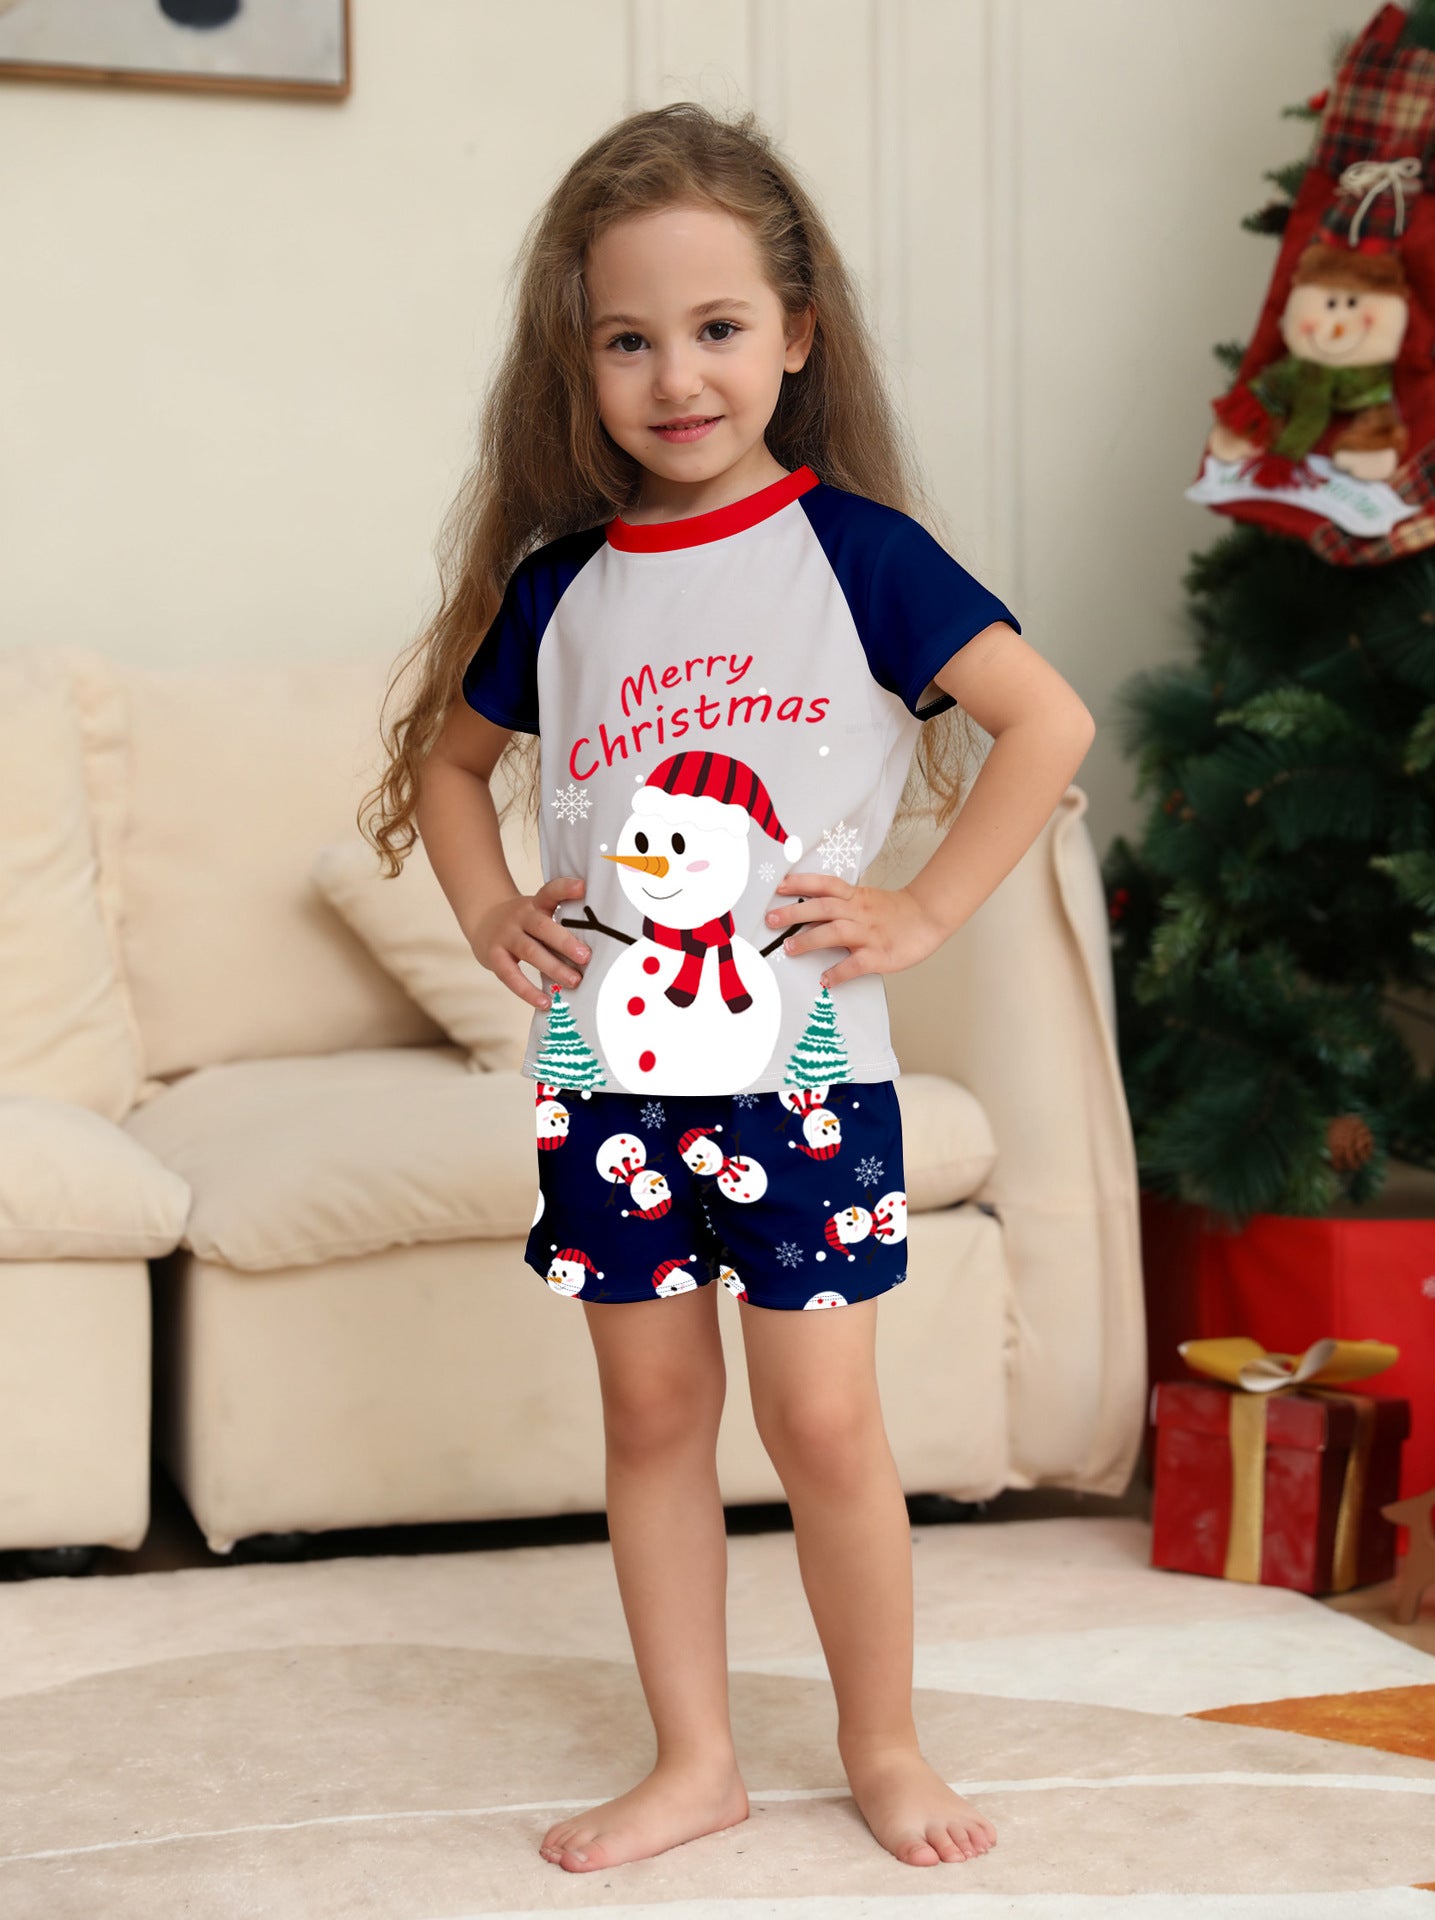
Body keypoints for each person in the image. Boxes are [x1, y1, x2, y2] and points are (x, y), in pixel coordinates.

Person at [363, 100, 1094, 1876]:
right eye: (629, 339)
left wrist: (923, 911)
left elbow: (1048, 724)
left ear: (797, 335)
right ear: (579, 359)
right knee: (652, 1416)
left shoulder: (860, 556)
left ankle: (883, 1745)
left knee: (824, 1421)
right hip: (609, 1082)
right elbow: (449, 771)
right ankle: (694, 1760)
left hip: (805, 1081)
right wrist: (488, 912)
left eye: (716, 328)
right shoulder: (562, 588)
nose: (676, 376)